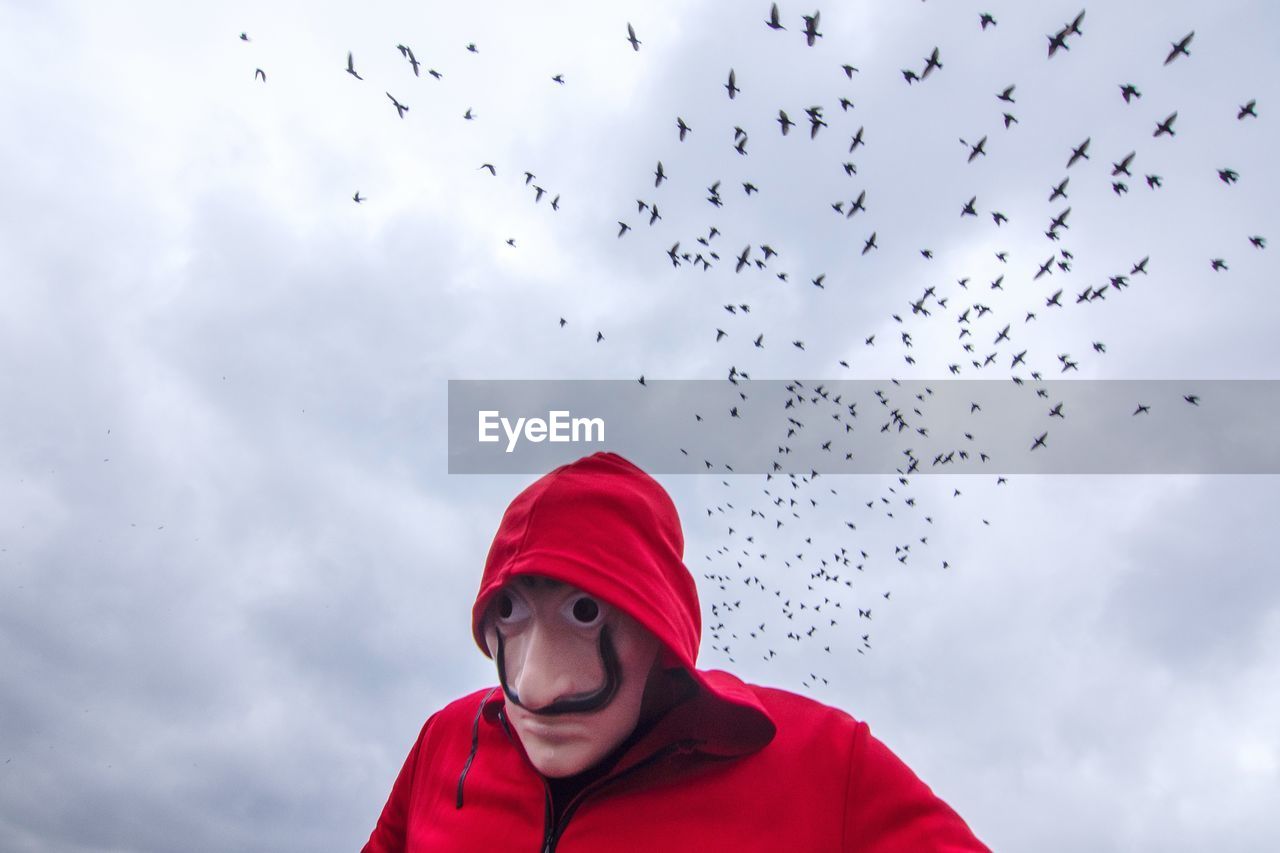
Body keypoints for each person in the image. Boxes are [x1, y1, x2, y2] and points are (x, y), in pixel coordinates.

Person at [362, 452, 987, 851]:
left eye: (585, 612)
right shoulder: (445, 742)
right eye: (511, 611)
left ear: (659, 627)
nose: (538, 687)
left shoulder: (826, 762)